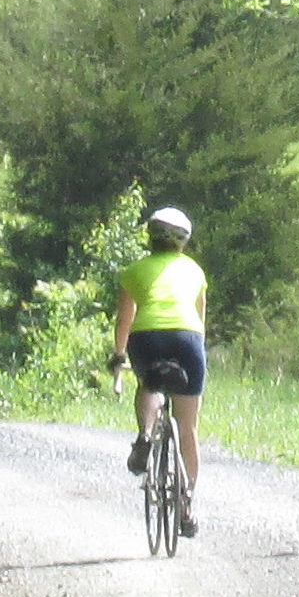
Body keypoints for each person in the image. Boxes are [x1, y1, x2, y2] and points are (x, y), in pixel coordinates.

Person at [114, 206, 208, 537]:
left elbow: (124, 319)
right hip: (188, 339)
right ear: (183, 242)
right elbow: (201, 320)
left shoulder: (135, 271)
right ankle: (187, 505)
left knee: (149, 385)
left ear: (150, 237)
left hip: (147, 336)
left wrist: (119, 354)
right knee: (188, 428)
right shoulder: (196, 271)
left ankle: (145, 434)